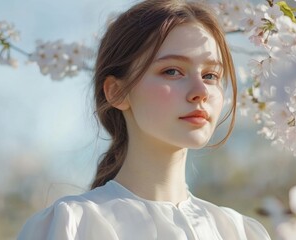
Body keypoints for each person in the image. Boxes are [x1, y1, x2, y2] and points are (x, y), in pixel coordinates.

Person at [17, 0, 271, 239]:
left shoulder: (237, 231)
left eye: (211, 75)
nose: (201, 92)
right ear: (117, 92)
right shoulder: (71, 225)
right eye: (172, 71)